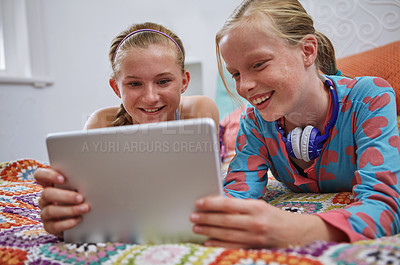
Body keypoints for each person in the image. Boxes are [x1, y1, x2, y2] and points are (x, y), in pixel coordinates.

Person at [189, 0, 400, 249]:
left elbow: (385, 206)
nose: (244, 86)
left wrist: (297, 230)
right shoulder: (254, 121)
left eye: (258, 64)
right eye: (236, 74)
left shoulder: (369, 98)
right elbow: (239, 192)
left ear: (308, 51)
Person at [34, 22, 219, 238]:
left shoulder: (198, 111)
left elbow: (191, 193)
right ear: (116, 87)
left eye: (163, 81)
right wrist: (67, 216)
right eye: (134, 84)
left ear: (184, 82)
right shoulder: (100, 123)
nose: (150, 97)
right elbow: (94, 200)